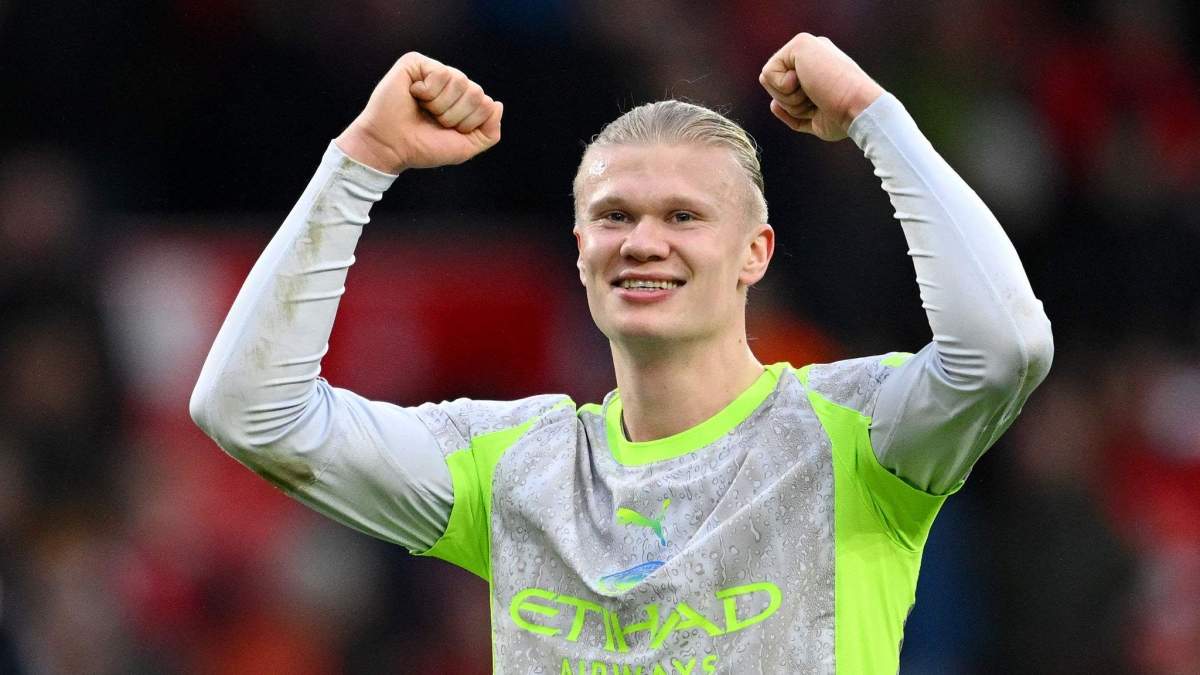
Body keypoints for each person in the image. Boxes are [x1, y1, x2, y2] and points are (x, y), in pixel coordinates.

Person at [190, 33, 1053, 674]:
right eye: (614, 216)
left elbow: (1004, 345)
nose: (642, 241)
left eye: (683, 216)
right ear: (580, 250)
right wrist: (362, 161)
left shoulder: (856, 436)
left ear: (755, 252)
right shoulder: (514, 469)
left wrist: (873, 117)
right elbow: (248, 410)